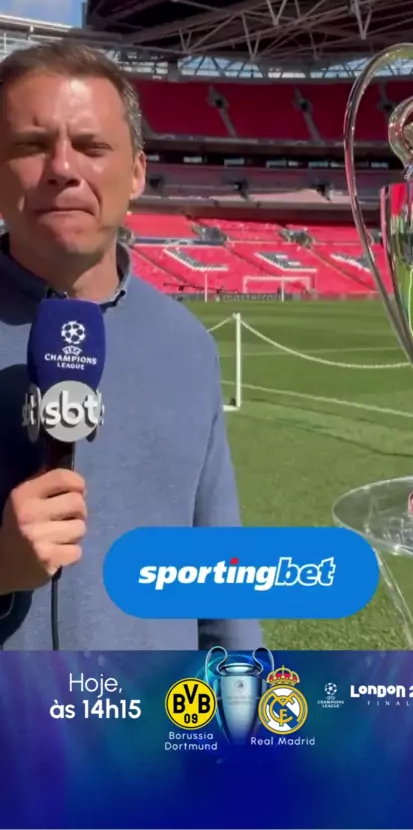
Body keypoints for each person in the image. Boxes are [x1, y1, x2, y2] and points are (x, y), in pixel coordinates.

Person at [0, 40, 262, 651]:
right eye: (32, 145)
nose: (63, 168)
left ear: (138, 172)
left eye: (92, 147)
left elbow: (219, 574)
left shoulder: (186, 346)